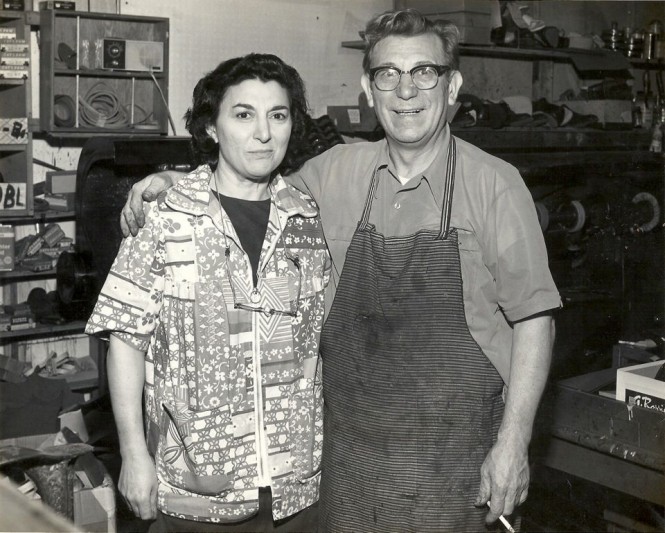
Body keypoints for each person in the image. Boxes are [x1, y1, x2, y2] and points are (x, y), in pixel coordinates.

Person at [119, 9, 561, 532]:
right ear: (368, 91)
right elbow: (249, 187)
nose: (406, 92)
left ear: (453, 84)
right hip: (347, 463)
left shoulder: (495, 185)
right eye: (387, 76)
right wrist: (176, 180)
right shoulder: (333, 173)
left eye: (424, 73)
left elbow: (536, 319)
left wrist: (513, 443)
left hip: (453, 459)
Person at [86, 53, 331, 532]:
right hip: (195, 493)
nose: (263, 132)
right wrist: (134, 456)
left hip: (295, 489)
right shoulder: (166, 217)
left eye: (277, 115)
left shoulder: (307, 219)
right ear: (212, 129)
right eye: (243, 115)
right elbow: (125, 343)